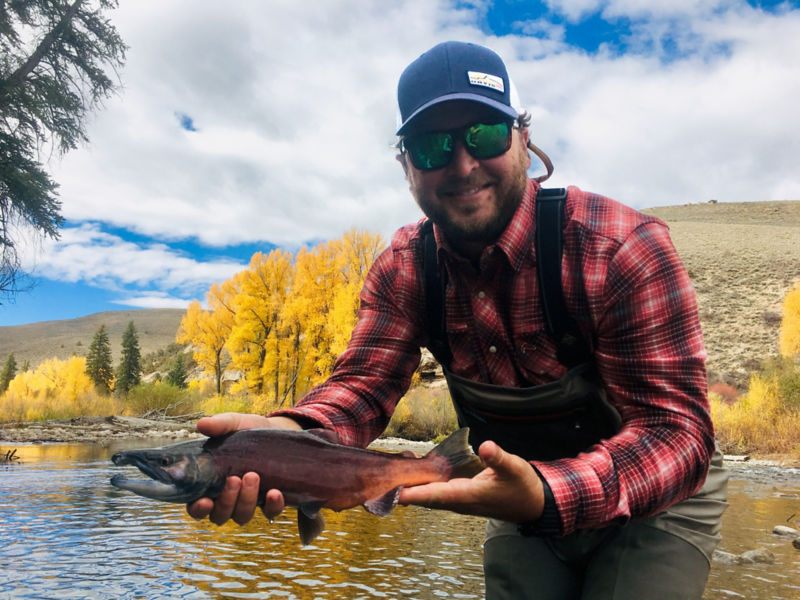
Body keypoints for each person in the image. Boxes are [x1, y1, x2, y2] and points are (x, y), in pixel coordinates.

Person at [187, 41, 728, 599]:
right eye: (432, 146)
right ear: (405, 166)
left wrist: (546, 493)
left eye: (485, 135)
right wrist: (291, 436)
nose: (463, 164)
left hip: (658, 496)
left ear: (522, 136)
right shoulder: (403, 269)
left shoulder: (620, 249)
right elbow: (363, 385)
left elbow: (678, 434)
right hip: (512, 488)